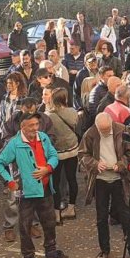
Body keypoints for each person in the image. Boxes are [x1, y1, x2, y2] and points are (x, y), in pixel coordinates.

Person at [0, 111, 69, 258]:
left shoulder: (43, 137)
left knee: (49, 222)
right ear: (22, 127)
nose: (36, 128)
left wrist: (47, 168)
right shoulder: (14, 143)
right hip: (26, 193)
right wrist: (10, 182)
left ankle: (50, 250)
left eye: (37, 124)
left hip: (46, 188)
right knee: (25, 227)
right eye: (31, 125)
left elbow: (54, 156)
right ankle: (29, 257)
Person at [79, 113, 130, 258]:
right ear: (96, 126)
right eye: (101, 131)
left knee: (125, 214)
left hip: (118, 178)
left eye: (106, 130)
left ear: (111, 124)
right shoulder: (90, 134)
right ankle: (104, 249)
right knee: (101, 217)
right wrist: (95, 163)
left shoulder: (121, 130)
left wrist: (121, 164)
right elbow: (83, 155)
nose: (104, 133)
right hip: (100, 180)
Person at [44, 88, 80, 220]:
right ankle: (71, 208)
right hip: (72, 149)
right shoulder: (73, 112)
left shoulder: (49, 115)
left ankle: (57, 212)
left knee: (56, 182)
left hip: (57, 152)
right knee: (72, 179)